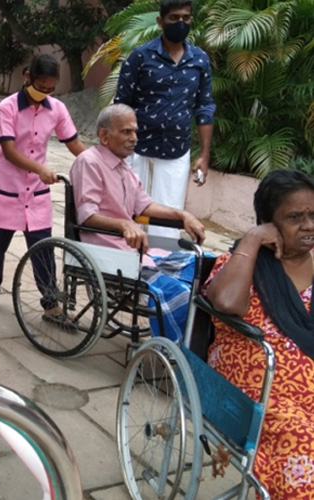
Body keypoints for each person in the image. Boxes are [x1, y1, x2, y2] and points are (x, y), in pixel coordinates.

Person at [205, 169, 314, 499]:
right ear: (268, 222)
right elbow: (226, 301)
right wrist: (251, 240)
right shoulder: (242, 263)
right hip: (254, 387)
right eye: (295, 217)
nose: (308, 225)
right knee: (302, 438)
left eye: (313, 215)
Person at [70, 103, 206, 341]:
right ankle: (177, 346)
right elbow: (86, 215)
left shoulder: (124, 167)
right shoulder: (89, 162)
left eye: (135, 131)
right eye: (126, 132)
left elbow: (144, 206)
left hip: (137, 251)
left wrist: (183, 215)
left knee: (205, 268)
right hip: (109, 252)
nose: (134, 138)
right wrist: (124, 225)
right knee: (183, 292)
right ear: (104, 136)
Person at [0, 53, 86, 316]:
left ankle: (50, 303)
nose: (44, 93)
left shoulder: (56, 109)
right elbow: (9, 151)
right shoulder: (7, 108)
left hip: (36, 192)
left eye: (50, 89)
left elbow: (73, 143)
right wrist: (39, 169)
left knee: (43, 247)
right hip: (4, 187)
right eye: (40, 86)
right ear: (28, 77)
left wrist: (96, 164)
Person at [114, 0, 215, 238]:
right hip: (138, 150)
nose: (181, 23)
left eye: (186, 18)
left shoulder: (199, 60)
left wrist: (204, 155)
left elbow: (204, 107)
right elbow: (121, 105)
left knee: (169, 218)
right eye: (174, 18)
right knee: (130, 212)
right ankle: (128, 261)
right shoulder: (140, 56)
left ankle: (161, 260)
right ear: (161, 21)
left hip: (176, 152)